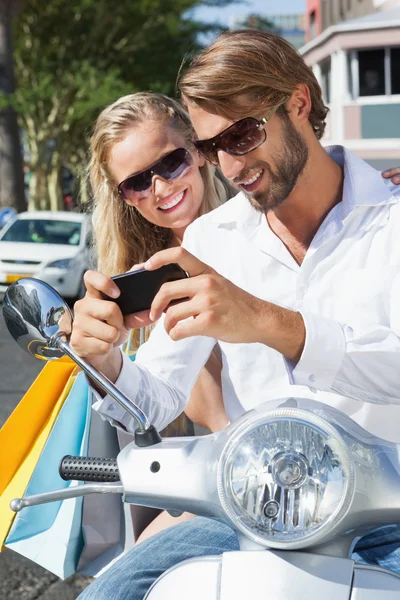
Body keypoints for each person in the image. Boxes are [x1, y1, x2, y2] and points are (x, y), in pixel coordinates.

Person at [75, 31, 400, 599]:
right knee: (106, 594)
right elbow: (154, 398)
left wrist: (270, 323)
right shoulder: (211, 239)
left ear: (299, 103)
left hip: (387, 513)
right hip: (252, 513)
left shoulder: (392, 219)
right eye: (211, 148)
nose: (231, 165)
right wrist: (104, 361)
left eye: (244, 134)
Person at [84, 91, 233, 542]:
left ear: (198, 149)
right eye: (137, 183)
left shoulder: (267, 225)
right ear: (124, 197)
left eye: (172, 163)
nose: (162, 188)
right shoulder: (149, 280)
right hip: (223, 478)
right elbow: (154, 401)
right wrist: (102, 360)